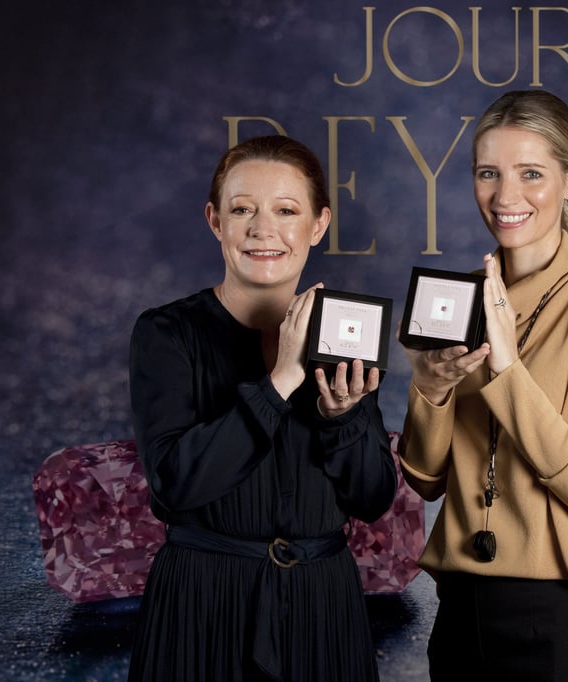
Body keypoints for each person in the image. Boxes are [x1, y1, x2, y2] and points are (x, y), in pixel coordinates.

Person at [398, 90, 568, 681]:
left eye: (531, 173)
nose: (505, 196)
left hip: (567, 613)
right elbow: (424, 479)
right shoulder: (456, 298)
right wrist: (431, 390)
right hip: (462, 607)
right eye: (488, 173)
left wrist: (507, 372)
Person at [127, 135, 397, 681]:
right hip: (200, 606)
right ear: (215, 221)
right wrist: (279, 383)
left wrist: (344, 418)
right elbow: (176, 484)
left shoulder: (347, 331)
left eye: (286, 211)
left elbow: (373, 500)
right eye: (242, 209)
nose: (262, 229)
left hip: (322, 608)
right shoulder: (166, 334)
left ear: (318, 225)